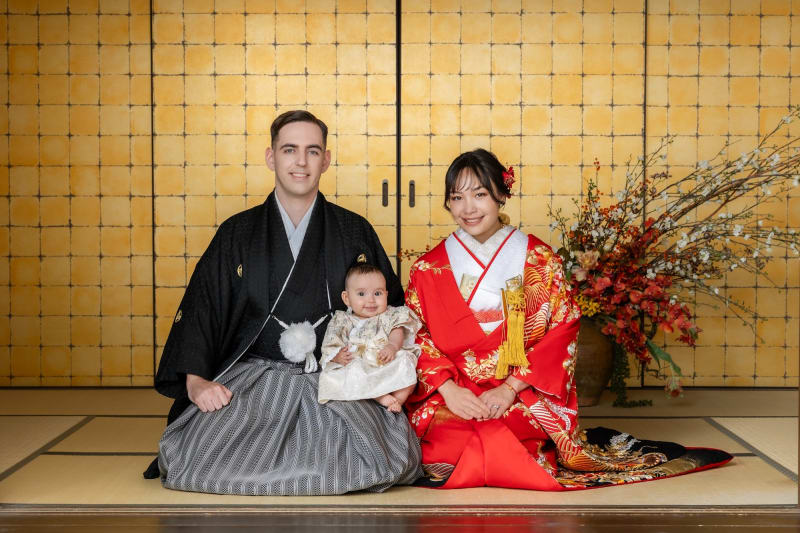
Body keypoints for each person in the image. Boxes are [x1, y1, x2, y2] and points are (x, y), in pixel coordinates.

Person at [403, 148, 732, 490]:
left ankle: (506, 445)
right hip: (454, 392)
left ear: (501, 194)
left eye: (480, 194)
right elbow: (415, 335)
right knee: (447, 435)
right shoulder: (428, 268)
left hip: (518, 390)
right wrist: (450, 391)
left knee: (506, 429)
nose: (468, 208)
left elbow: (561, 328)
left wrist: (508, 390)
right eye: (457, 198)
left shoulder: (538, 259)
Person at [145, 110, 422, 495]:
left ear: (326, 160)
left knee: (376, 457)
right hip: (255, 376)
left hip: (334, 375)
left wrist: (385, 369)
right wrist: (196, 382)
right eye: (289, 150)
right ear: (271, 157)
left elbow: (390, 311)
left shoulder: (352, 230)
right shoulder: (237, 232)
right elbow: (203, 307)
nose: (301, 162)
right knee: (198, 456)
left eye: (313, 151)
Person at [318, 262, 421, 412]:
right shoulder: (342, 320)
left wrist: (392, 346)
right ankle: (380, 396)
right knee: (342, 373)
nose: (371, 300)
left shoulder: (390, 315)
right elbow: (331, 341)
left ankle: (398, 400)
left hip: (384, 360)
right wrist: (337, 356)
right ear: (347, 298)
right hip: (359, 362)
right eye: (361, 294)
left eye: (377, 293)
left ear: (386, 294)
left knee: (407, 362)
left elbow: (397, 331)